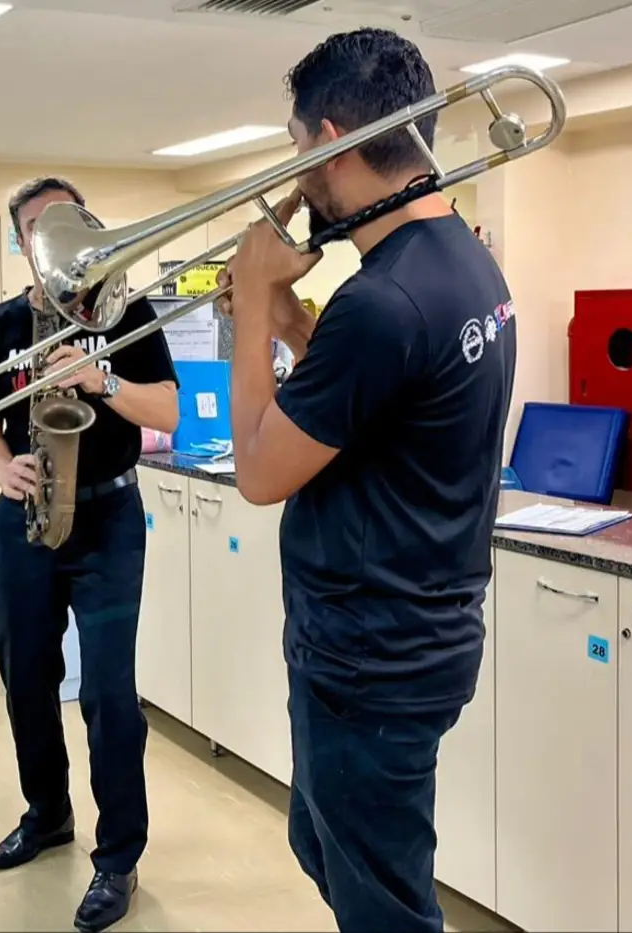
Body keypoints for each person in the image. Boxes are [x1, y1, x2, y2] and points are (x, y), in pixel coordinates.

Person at [217, 28, 517, 933]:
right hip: (414, 630)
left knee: (383, 904)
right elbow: (378, 399)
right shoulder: (459, 260)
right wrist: (289, 322)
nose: (294, 172)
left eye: (297, 147)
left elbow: (259, 472)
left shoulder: (381, 301)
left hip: (369, 649)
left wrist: (249, 310)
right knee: (326, 845)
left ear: (330, 139)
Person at [0, 176, 180, 933]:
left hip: (109, 517)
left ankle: (118, 855)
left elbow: (168, 409)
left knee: (109, 695)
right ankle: (47, 813)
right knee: (25, 677)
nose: (51, 235)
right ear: (21, 241)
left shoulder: (129, 313)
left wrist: (101, 376)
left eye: (65, 220)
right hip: (25, 515)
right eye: (35, 226)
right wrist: (1, 469)